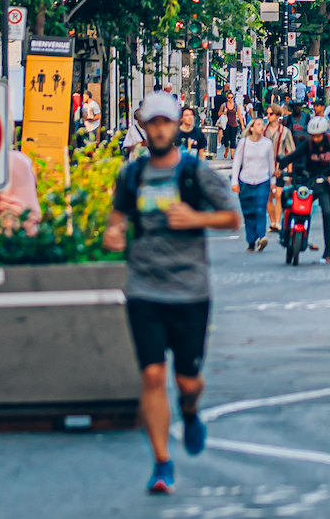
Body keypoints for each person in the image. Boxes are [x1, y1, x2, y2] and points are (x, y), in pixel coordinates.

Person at [103, 94, 241, 496]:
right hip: (144, 287)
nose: (159, 129)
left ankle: (191, 411)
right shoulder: (131, 175)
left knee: (188, 380)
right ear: (144, 128)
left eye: (166, 122)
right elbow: (118, 218)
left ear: (178, 125)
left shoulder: (194, 172)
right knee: (151, 374)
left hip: (190, 290)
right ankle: (162, 462)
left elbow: (231, 217)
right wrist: (114, 233)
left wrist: (197, 217)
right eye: (153, 123)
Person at [296, 115, 330, 263]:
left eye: (318, 136)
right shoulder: (309, 144)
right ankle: (327, 250)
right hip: (319, 182)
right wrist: (281, 167)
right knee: (327, 212)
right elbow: (295, 155)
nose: (316, 139)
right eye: (314, 136)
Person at [230, 115, 274, 251]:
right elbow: (237, 162)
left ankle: (262, 236)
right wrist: (234, 181)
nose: (262, 127)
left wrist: (273, 181)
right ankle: (251, 240)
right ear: (252, 128)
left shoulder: (267, 143)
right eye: (259, 124)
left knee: (260, 209)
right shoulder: (244, 143)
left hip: (262, 180)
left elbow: (271, 163)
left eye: (263, 124)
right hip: (245, 181)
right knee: (248, 212)